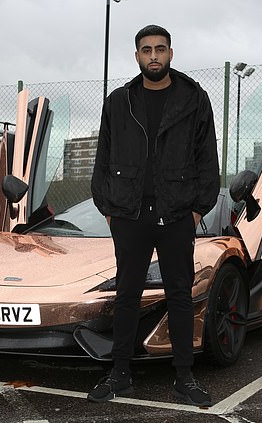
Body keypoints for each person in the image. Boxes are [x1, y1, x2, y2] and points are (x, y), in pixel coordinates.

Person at [88, 24, 220, 406]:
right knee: (127, 295)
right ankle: (120, 374)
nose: (154, 56)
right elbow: (103, 158)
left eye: (160, 49)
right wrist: (110, 211)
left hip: (177, 213)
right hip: (129, 215)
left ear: (171, 54)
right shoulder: (118, 101)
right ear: (137, 57)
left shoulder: (194, 98)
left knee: (180, 295)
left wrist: (197, 211)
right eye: (146, 50)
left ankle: (184, 377)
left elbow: (207, 158)